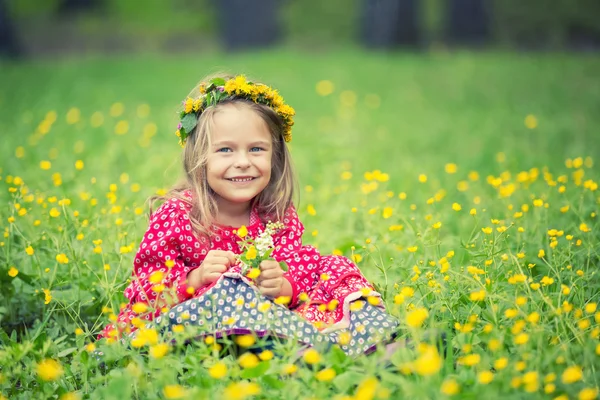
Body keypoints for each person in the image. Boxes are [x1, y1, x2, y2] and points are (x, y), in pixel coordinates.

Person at [99, 74, 400, 357]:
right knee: (230, 290)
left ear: (275, 156)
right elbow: (147, 291)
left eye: (256, 149)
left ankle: (364, 342)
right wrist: (196, 278)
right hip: (192, 326)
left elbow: (297, 271)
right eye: (225, 150)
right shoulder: (178, 215)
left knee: (332, 268)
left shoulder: (276, 216)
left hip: (268, 323)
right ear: (199, 158)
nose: (243, 162)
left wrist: (281, 285)